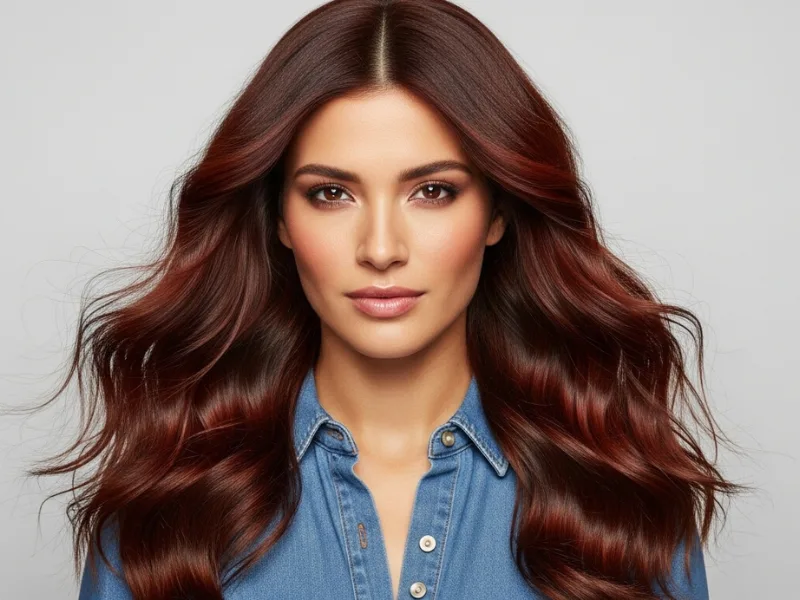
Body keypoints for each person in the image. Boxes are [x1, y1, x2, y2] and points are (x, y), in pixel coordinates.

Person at [25, 1, 743, 599]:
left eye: (432, 191)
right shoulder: (169, 509)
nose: (380, 247)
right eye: (330, 193)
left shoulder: (619, 503)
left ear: (497, 212)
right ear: (279, 217)